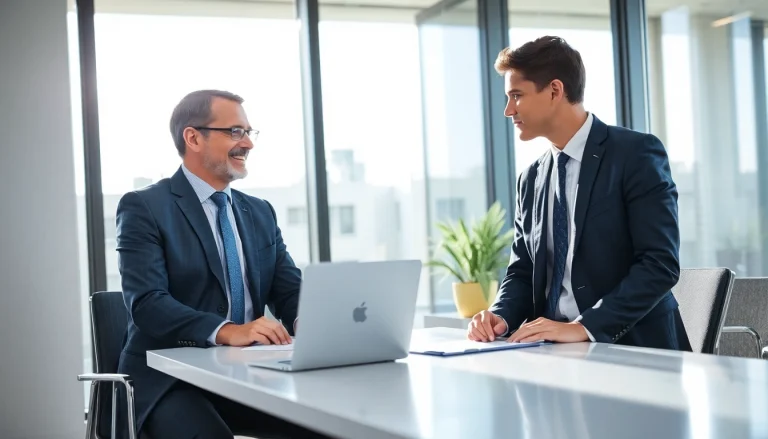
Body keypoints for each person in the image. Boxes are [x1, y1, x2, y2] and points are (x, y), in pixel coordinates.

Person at [115, 90, 326, 438]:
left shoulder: (259, 211)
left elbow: (288, 288)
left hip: (248, 374)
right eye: (234, 132)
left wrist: (313, 324)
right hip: (171, 380)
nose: (247, 144)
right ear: (193, 137)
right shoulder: (145, 206)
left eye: (248, 132)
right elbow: (148, 303)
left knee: (324, 425)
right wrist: (229, 330)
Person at [467, 36, 691, 351]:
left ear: (555, 91)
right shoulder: (530, 179)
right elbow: (523, 270)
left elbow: (659, 264)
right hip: (552, 352)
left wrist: (584, 327)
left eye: (516, 95)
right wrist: (499, 314)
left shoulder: (635, 153)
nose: (507, 110)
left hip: (635, 350)